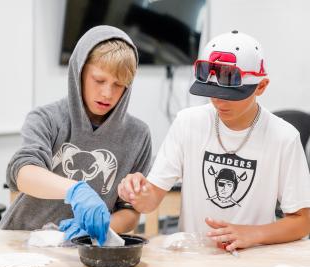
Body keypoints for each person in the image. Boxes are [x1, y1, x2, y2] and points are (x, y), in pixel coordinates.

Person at [118, 31, 310, 251]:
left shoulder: (284, 137)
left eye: (230, 94)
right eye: (211, 91)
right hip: (193, 256)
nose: (218, 101)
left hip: (252, 259)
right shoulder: (187, 123)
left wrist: (251, 234)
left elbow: (303, 221)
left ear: (261, 86)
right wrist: (136, 193)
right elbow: (150, 200)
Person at [0, 26, 152, 245]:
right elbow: (23, 173)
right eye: (99, 80)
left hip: (84, 248)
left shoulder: (138, 135)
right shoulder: (47, 118)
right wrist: (74, 190)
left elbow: (130, 211)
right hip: (23, 240)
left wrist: (99, 227)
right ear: (79, 73)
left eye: (118, 85)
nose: (107, 93)